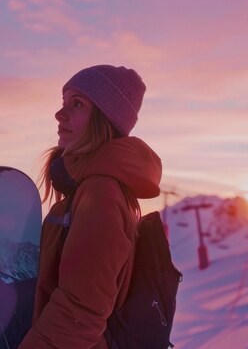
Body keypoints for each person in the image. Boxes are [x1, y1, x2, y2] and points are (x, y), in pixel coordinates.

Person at [19, 65, 163, 348]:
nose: (60, 114)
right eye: (63, 103)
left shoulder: (100, 193)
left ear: (103, 119)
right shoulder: (92, 188)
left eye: (77, 104)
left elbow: (79, 313)